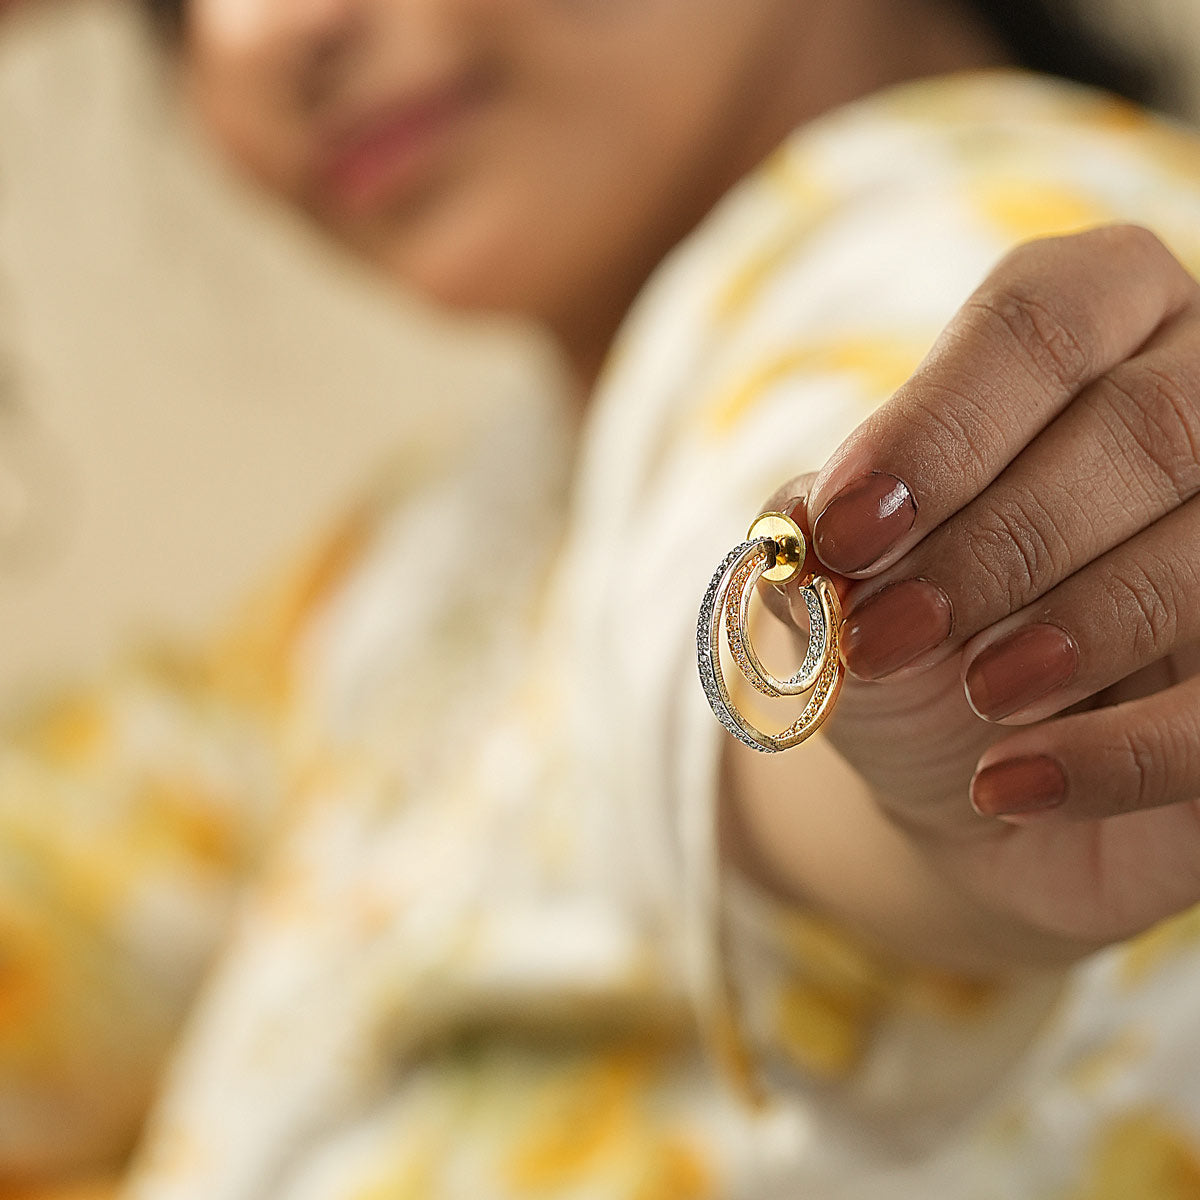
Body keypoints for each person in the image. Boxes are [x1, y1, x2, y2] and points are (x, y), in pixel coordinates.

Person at [5, 0, 1200, 1196]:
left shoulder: (965, 242)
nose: (258, 32)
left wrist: (925, 738)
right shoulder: (435, 545)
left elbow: (775, 671)